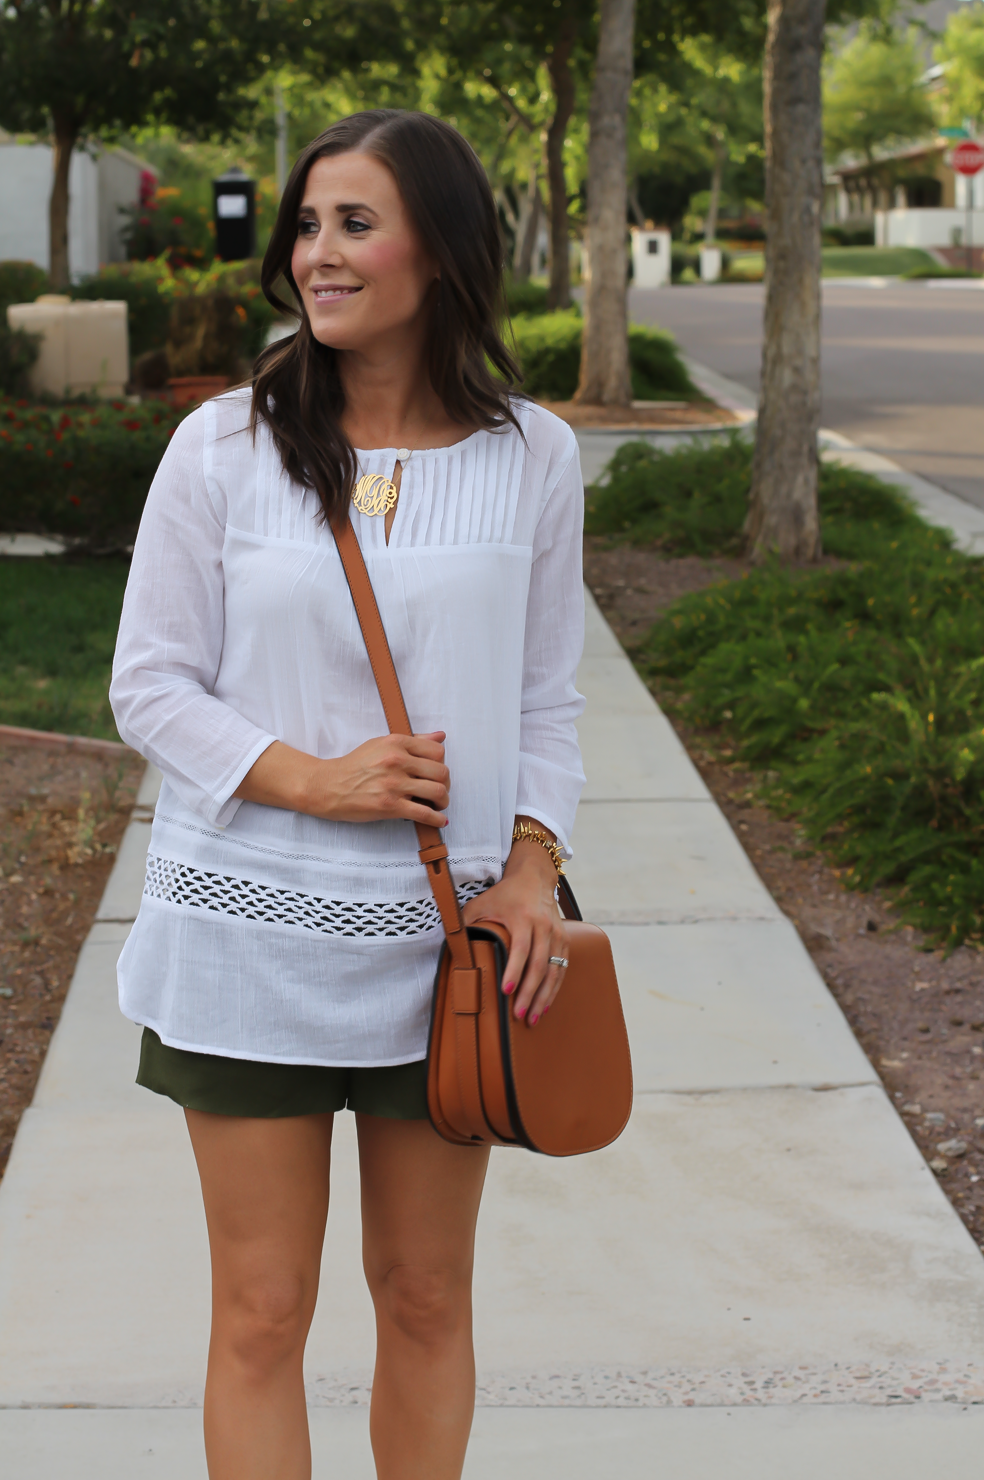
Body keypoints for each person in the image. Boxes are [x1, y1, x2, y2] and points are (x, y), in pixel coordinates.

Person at [110, 109, 585, 1480]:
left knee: (426, 1298)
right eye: (308, 225)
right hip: (245, 940)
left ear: (440, 251)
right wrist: (314, 781)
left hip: (444, 953)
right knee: (262, 1311)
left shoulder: (531, 455)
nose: (318, 252)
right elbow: (149, 687)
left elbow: (548, 696)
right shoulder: (220, 447)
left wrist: (533, 871)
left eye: (355, 223)